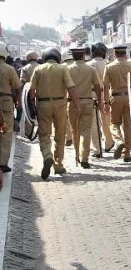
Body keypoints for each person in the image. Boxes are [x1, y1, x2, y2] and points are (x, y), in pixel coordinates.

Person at [29, 47, 80, 179]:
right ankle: (58, 164)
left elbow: (32, 91)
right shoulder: (63, 68)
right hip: (60, 104)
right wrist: (76, 104)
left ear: (45, 57)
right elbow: (71, 87)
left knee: (44, 134)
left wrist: (33, 106)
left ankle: (47, 155)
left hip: (43, 104)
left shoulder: (38, 69)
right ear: (57, 57)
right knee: (60, 134)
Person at [66, 47, 102, 169]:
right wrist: (100, 100)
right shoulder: (90, 69)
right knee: (85, 131)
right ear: (83, 56)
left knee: (75, 130)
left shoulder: (67, 69)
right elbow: (97, 86)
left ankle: (77, 155)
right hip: (87, 102)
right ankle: (84, 158)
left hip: (72, 103)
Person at [103, 44, 131, 163]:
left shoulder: (109, 67)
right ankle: (127, 154)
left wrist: (105, 102)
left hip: (115, 98)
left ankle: (119, 141)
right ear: (125, 54)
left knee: (114, 123)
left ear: (115, 54)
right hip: (128, 97)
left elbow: (106, 86)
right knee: (128, 126)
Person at [88, 42, 114, 156]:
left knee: (94, 123)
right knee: (107, 121)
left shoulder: (89, 65)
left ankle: (97, 149)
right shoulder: (108, 64)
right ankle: (109, 142)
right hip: (107, 94)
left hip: (93, 94)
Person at [0, 42, 21, 173]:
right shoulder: (9, 69)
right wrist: (18, 102)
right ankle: (2, 163)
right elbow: (17, 87)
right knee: (6, 132)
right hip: (6, 100)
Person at [20, 50, 40, 138]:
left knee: (28, 113)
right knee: (41, 113)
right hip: (40, 94)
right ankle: (41, 131)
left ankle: (28, 133)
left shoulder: (25, 68)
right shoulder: (41, 67)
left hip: (28, 94)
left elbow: (22, 82)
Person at [62, 49, 75, 146]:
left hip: (64, 95)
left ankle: (68, 137)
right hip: (79, 94)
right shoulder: (77, 65)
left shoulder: (61, 67)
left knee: (65, 117)